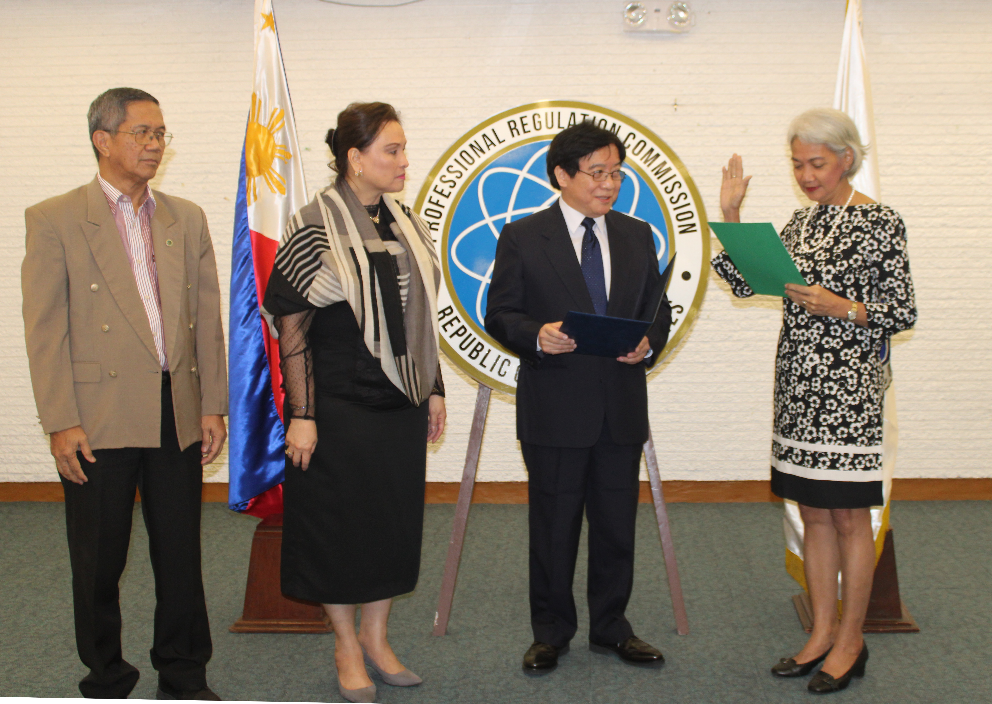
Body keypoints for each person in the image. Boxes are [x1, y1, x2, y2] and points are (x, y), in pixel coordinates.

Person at [21, 88, 227, 700]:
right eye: (141, 133)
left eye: (161, 133)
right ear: (102, 140)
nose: (155, 144)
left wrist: (211, 402)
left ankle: (184, 673)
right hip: (96, 414)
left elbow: (207, 317)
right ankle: (107, 674)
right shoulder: (55, 217)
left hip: (175, 410)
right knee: (99, 558)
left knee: (180, 552)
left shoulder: (184, 217)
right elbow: (46, 328)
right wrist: (60, 420)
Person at [713, 107, 917, 694]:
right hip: (799, 388)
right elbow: (750, 280)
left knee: (851, 517)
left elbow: (901, 313)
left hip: (849, 394)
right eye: (798, 164)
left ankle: (852, 641)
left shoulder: (881, 223)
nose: (805, 175)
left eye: (816, 164)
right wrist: (731, 215)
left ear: (846, 159)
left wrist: (844, 307)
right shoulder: (802, 225)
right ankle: (822, 631)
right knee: (813, 514)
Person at [263, 102, 445, 704]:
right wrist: (303, 415)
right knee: (340, 530)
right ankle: (345, 645)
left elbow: (423, 318)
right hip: (338, 402)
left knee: (391, 523)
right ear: (354, 158)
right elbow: (291, 327)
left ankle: (377, 637)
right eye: (392, 150)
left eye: (402, 148)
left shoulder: (406, 221)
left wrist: (435, 387)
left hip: (402, 401)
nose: (403, 161)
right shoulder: (315, 227)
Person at [485, 121, 672, 674]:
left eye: (616, 172)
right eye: (597, 173)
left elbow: (655, 312)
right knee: (553, 527)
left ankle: (612, 627)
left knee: (617, 527)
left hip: (620, 407)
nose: (609, 184)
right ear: (562, 175)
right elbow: (501, 313)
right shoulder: (522, 236)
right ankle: (551, 633)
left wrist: (648, 343)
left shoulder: (638, 235)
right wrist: (536, 335)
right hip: (555, 408)